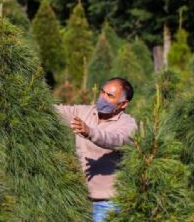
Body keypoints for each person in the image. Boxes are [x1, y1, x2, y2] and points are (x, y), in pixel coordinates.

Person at [55, 77, 138, 222]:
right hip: (80, 199)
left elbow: (116, 139)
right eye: (102, 92)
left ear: (123, 104)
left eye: (110, 96)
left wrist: (90, 132)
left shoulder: (128, 124)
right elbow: (57, 111)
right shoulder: (85, 112)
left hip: (108, 203)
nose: (103, 98)